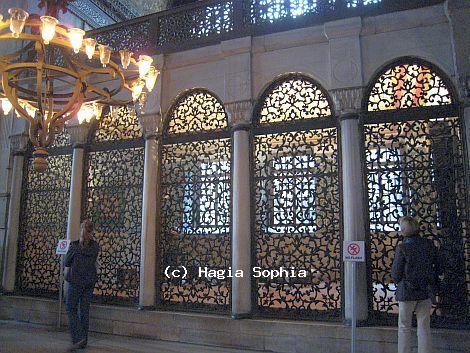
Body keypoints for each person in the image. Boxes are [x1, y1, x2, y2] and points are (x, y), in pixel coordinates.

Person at [392, 216, 441, 353]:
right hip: (425, 290)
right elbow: (438, 266)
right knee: (424, 326)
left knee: (404, 326)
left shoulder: (403, 248)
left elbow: (396, 273)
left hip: (407, 292)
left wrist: (398, 281)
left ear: (403, 231)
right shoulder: (429, 245)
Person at [64, 220, 100, 351]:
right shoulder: (95, 246)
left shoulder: (74, 246)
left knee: (70, 308)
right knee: (84, 310)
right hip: (89, 282)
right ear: (92, 231)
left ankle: (78, 337)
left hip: (75, 281)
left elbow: (67, 262)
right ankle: (84, 340)